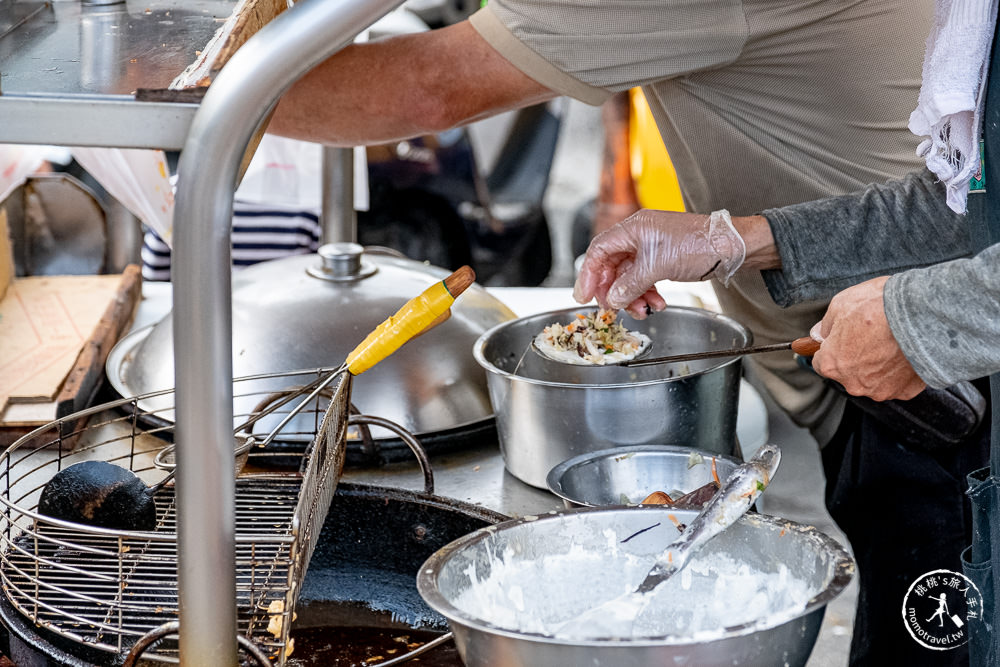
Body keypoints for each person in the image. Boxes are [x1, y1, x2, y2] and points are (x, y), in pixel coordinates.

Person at [268, 0, 936, 661]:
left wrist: (196, 83)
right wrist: (730, 239)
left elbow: (424, 88)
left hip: (934, 372)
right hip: (885, 360)